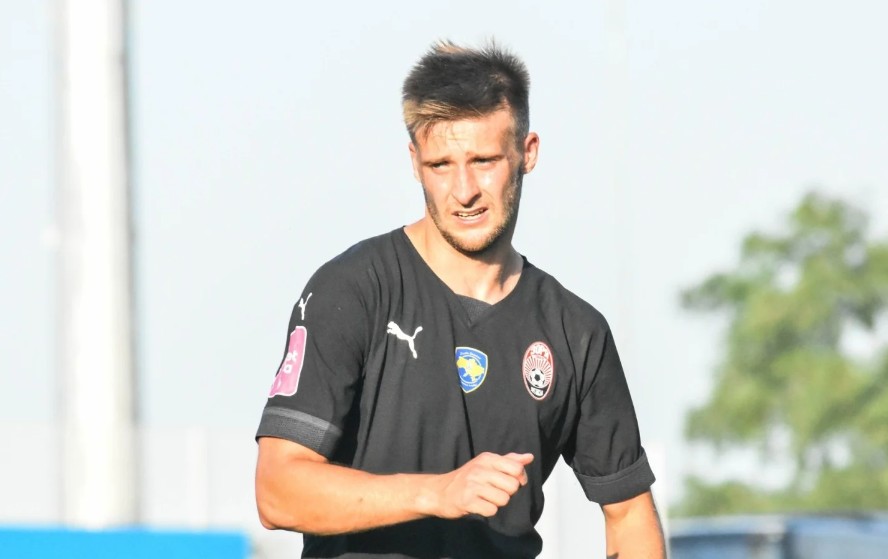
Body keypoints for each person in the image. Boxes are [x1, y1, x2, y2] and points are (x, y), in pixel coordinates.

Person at [255, 40, 666, 559]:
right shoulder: (352, 290)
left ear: (528, 152)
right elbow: (277, 491)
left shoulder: (575, 331)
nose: (464, 190)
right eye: (441, 165)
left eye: (484, 160)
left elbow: (628, 513)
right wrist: (438, 492)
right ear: (414, 162)